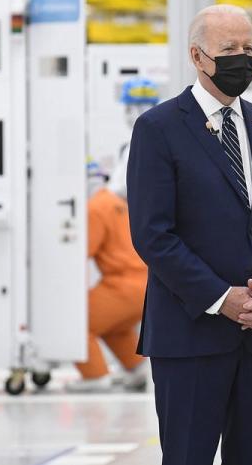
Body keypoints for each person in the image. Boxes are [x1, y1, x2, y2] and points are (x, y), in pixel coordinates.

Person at [126, 4, 252, 465]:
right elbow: (153, 235)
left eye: (248, 48)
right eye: (229, 49)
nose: (242, 59)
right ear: (197, 55)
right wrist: (219, 297)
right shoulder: (159, 128)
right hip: (189, 336)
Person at [68, 165, 149, 393]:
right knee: (116, 327)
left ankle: (94, 376)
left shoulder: (95, 207)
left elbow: (81, 251)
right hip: (143, 285)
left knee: (77, 322)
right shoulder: (115, 203)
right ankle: (137, 369)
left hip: (123, 285)